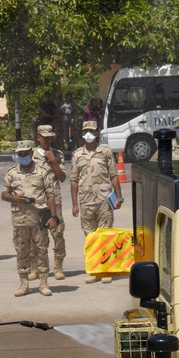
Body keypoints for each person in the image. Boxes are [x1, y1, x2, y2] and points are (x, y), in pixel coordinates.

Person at [1, 140, 59, 297]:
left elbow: (51, 196)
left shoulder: (42, 172)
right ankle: (24, 284)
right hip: (20, 220)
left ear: (31, 153)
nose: (23, 156)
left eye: (25, 154)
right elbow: (3, 194)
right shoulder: (12, 173)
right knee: (21, 252)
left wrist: (53, 217)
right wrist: (14, 198)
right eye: (20, 154)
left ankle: (44, 284)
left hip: (39, 219)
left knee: (42, 251)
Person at [70, 120, 121, 283]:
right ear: (82, 134)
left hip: (104, 200)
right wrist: (74, 204)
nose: (88, 134)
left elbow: (113, 175)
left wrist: (118, 197)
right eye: (85, 131)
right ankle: (94, 270)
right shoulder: (77, 155)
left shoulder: (105, 153)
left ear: (97, 133)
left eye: (91, 131)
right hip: (85, 202)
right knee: (90, 237)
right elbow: (74, 180)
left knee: (105, 235)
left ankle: (106, 271)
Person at [33, 124, 68, 279]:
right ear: (38, 138)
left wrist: (54, 161)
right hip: (37, 200)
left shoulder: (58, 154)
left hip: (54, 198)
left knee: (58, 233)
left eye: (50, 138)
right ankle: (37, 268)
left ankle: (58, 267)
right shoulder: (31, 155)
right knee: (38, 235)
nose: (48, 141)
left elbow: (62, 177)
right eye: (45, 138)